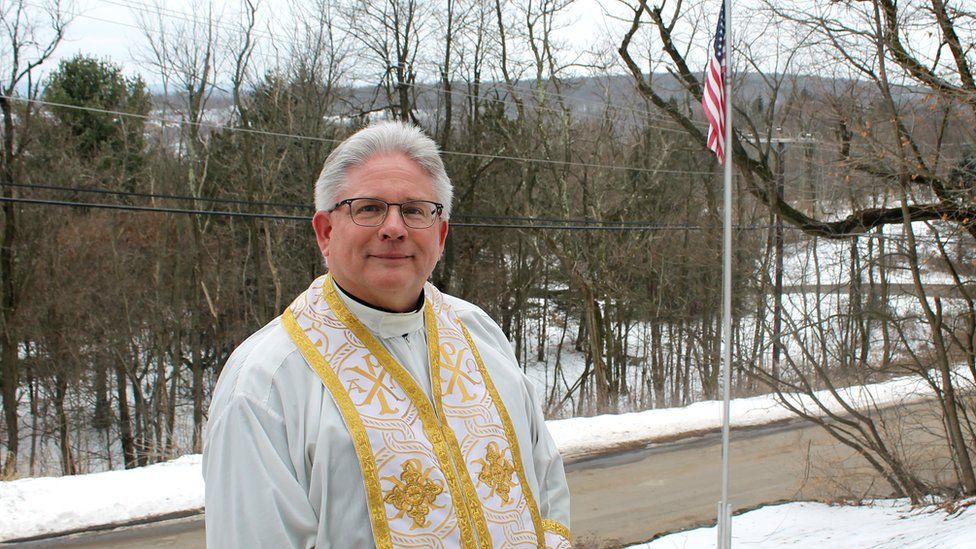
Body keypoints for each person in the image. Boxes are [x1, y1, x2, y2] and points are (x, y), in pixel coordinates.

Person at [203, 121, 571, 548]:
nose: (394, 228)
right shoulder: (265, 383)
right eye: (369, 208)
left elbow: (545, 482)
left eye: (415, 210)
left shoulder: (479, 333)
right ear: (325, 232)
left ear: (441, 233)